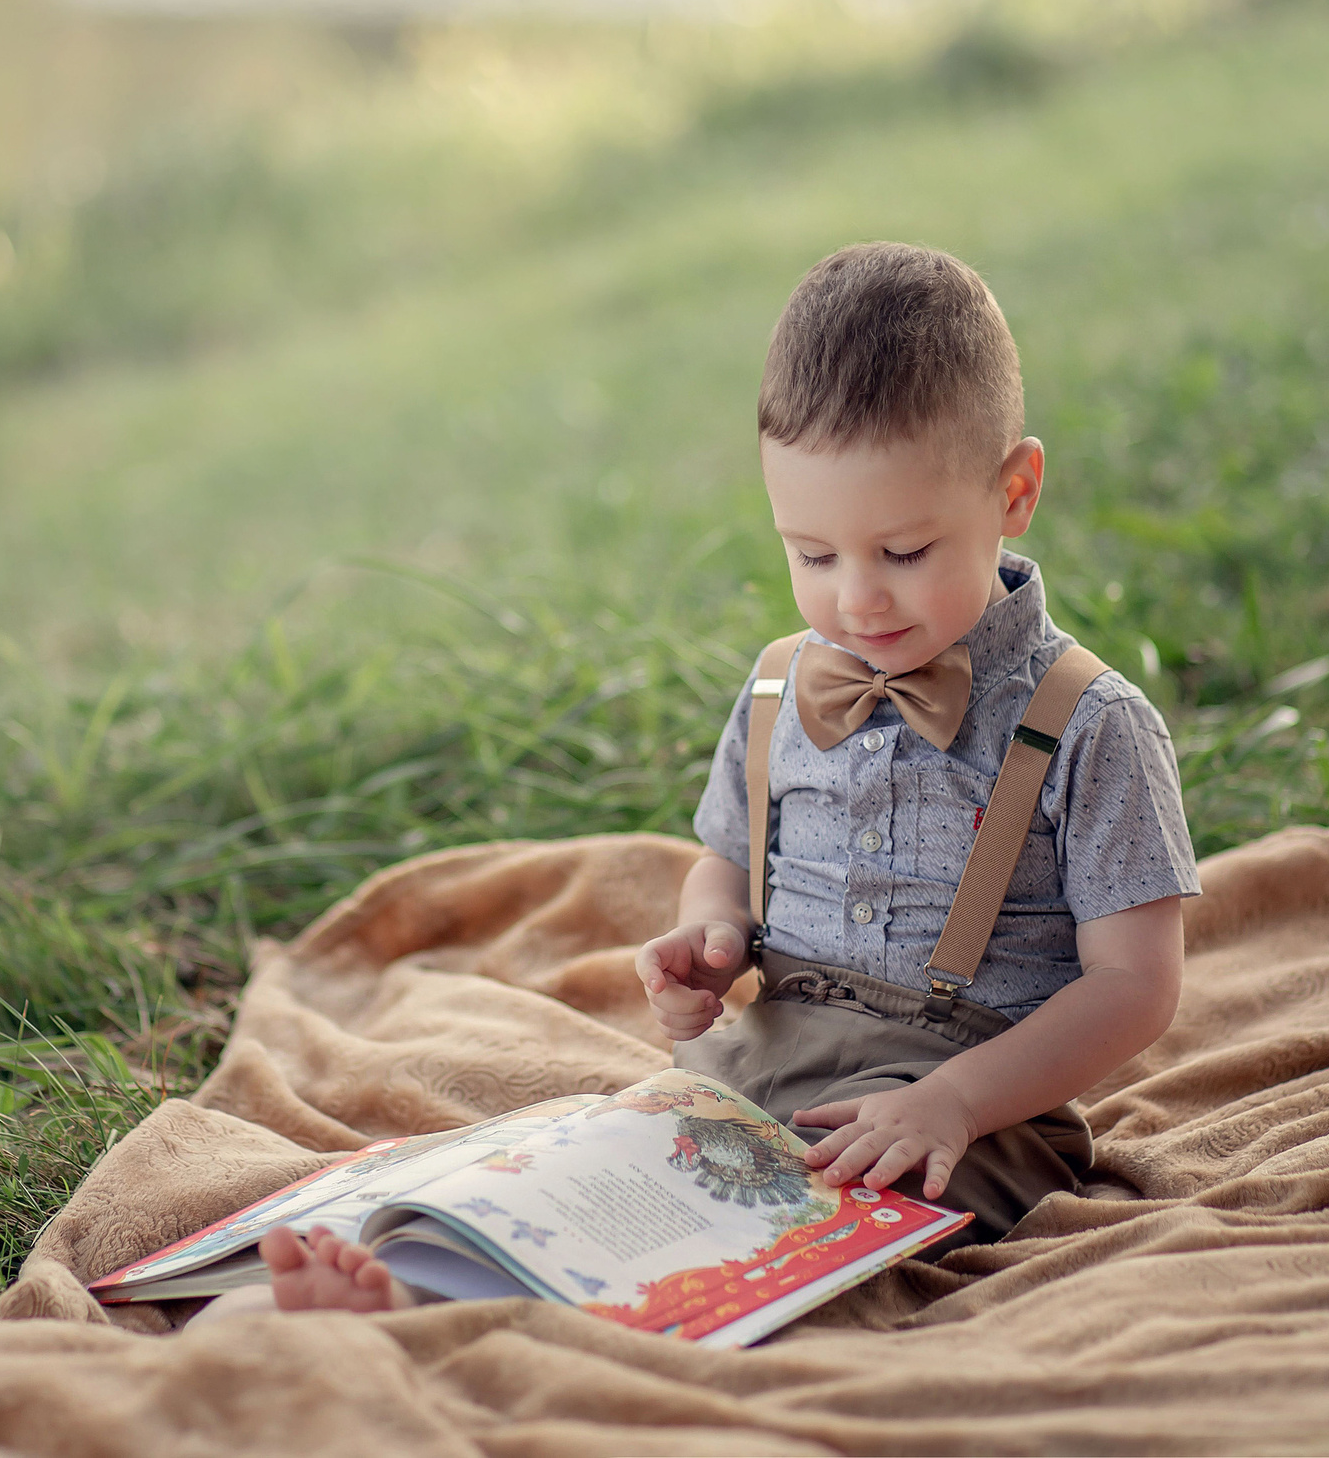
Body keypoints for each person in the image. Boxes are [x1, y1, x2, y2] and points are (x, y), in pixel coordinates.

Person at [216, 241, 1197, 1319]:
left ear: (1013, 491)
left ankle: (598, 1358)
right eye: (812, 555)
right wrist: (711, 937)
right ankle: (423, 1287)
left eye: (905, 551)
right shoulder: (780, 687)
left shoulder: (1088, 725)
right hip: (759, 1053)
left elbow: (1134, 985)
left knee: (804, 1236)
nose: (857, 598)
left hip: (972, 1093)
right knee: (603, 1175)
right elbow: (726, 861)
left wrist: (954, 1103)